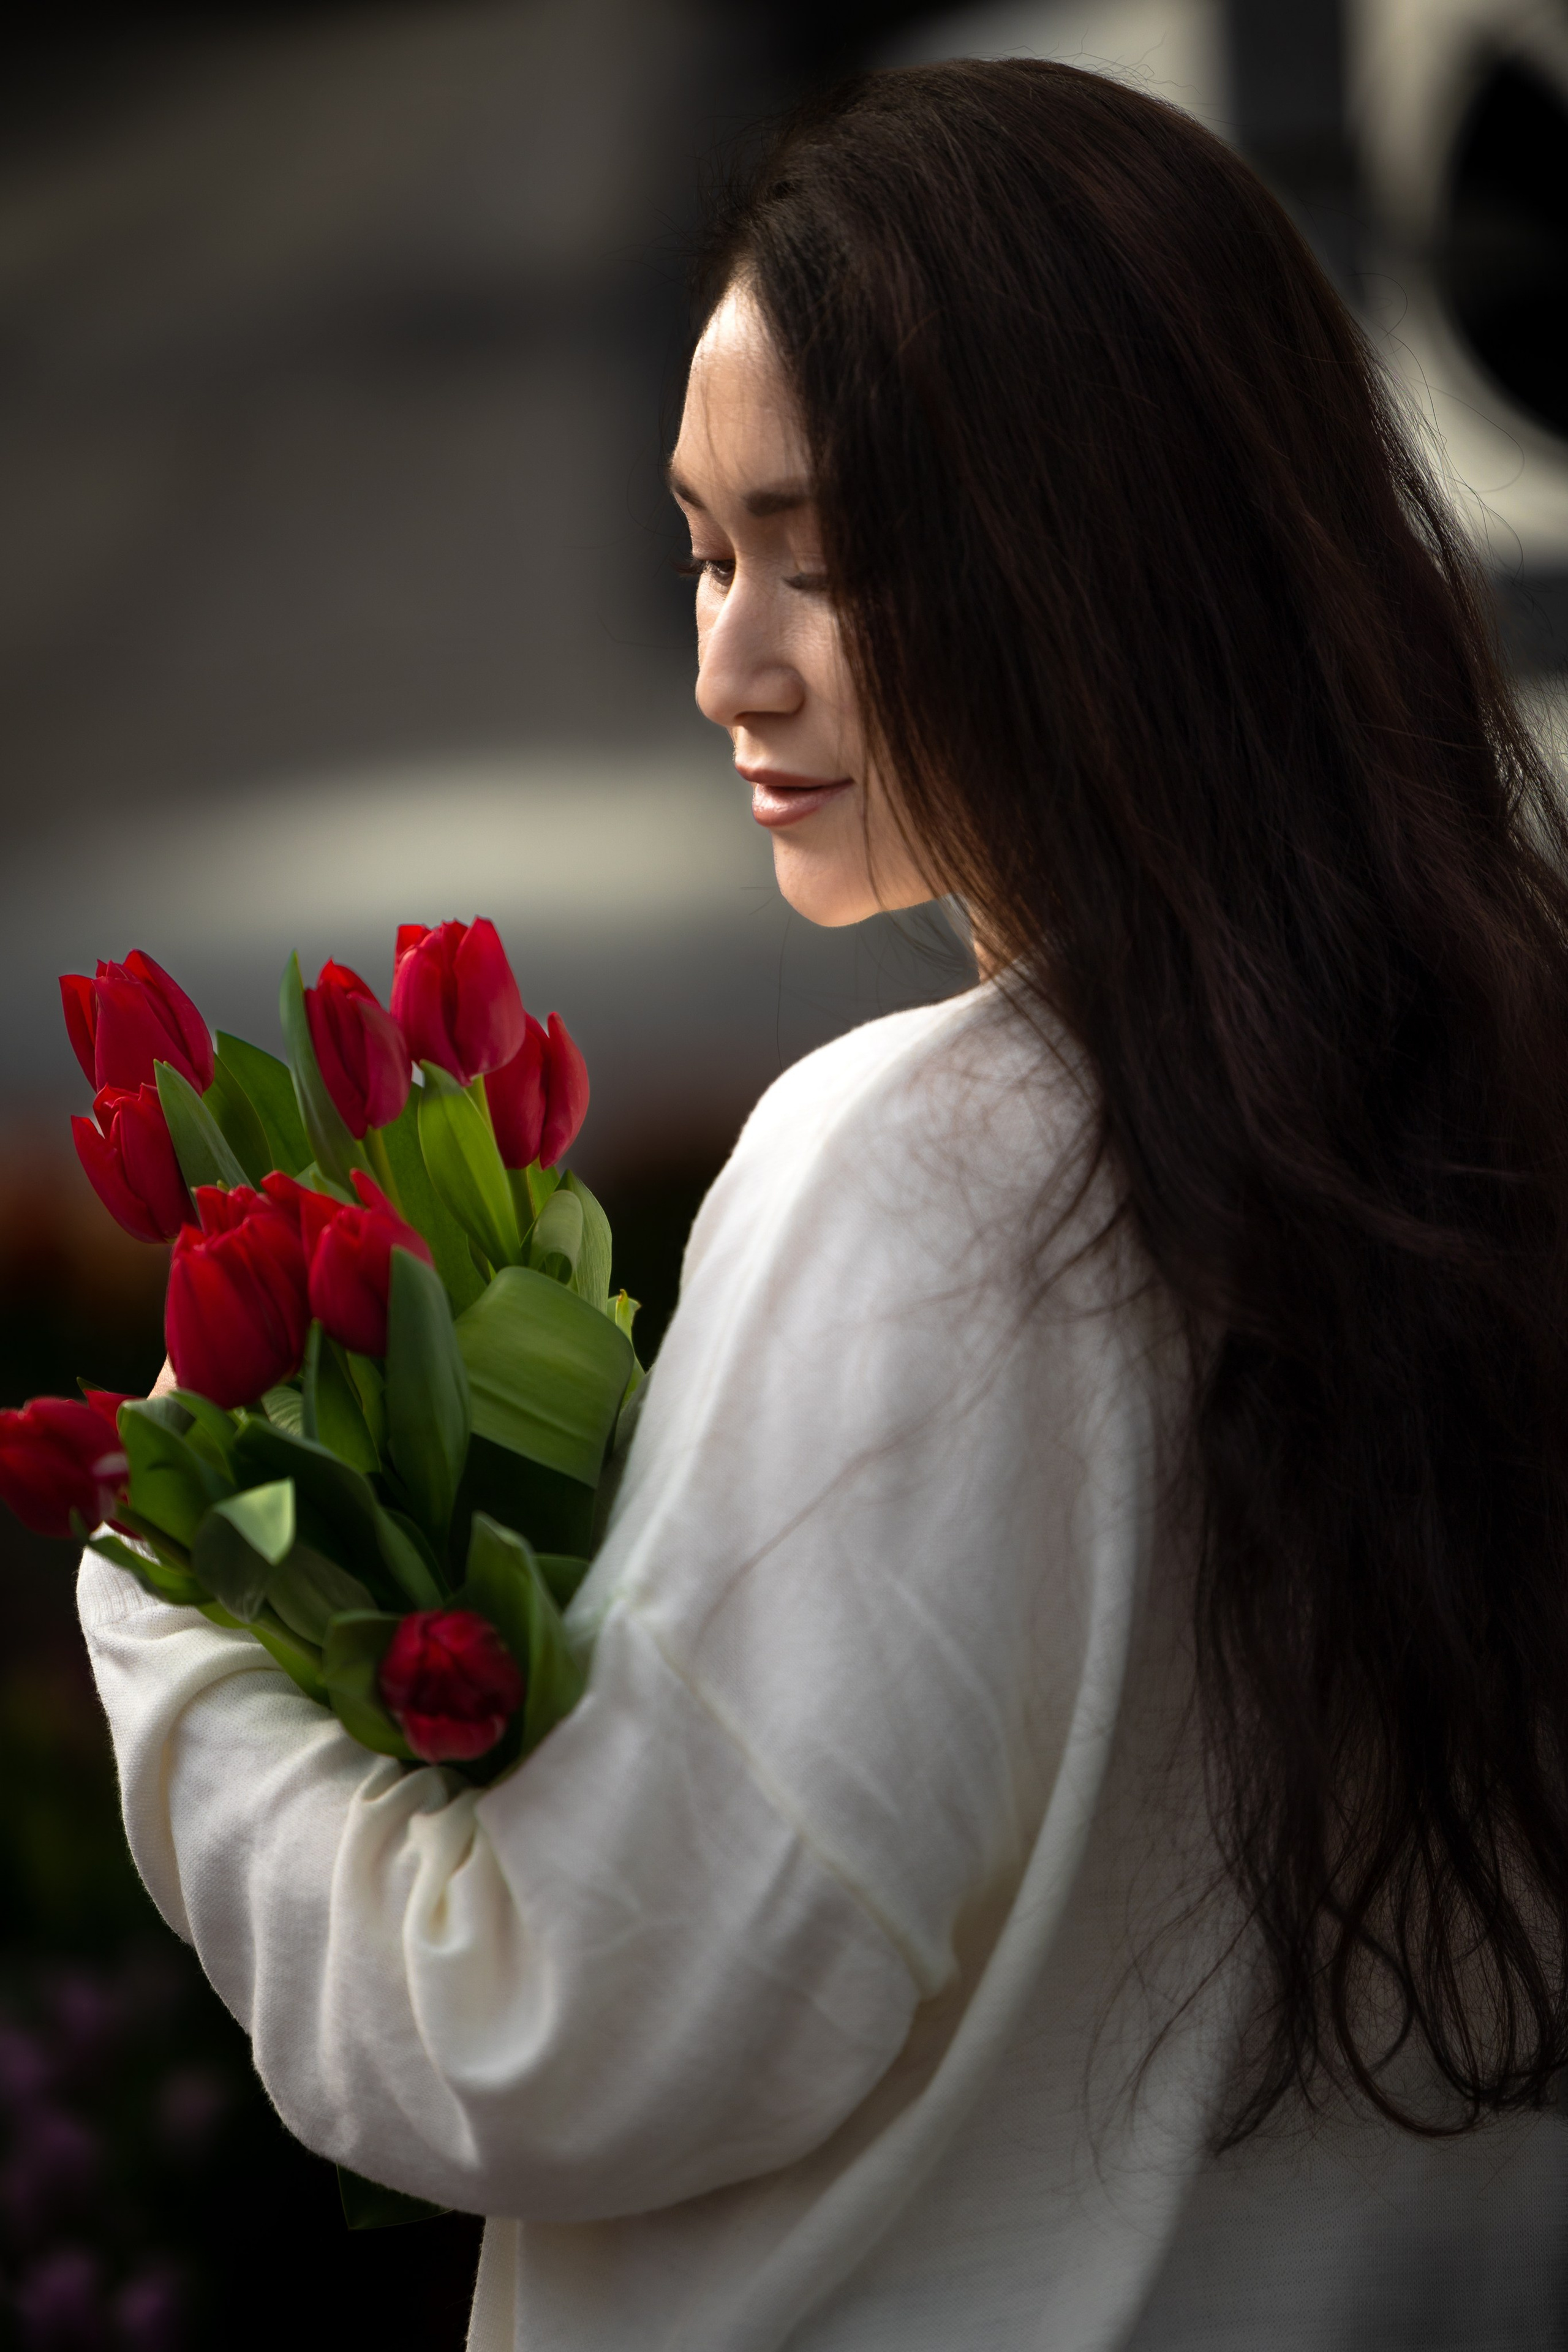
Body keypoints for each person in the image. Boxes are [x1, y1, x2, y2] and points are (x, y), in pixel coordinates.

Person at [81, 59, 1568, 2350]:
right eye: (702, 549)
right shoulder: (1486, 1109)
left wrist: (177, 1592)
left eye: (828, 560)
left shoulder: (939, 1168)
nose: (724, 666)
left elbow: (544, 2032)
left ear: (1104, 558)